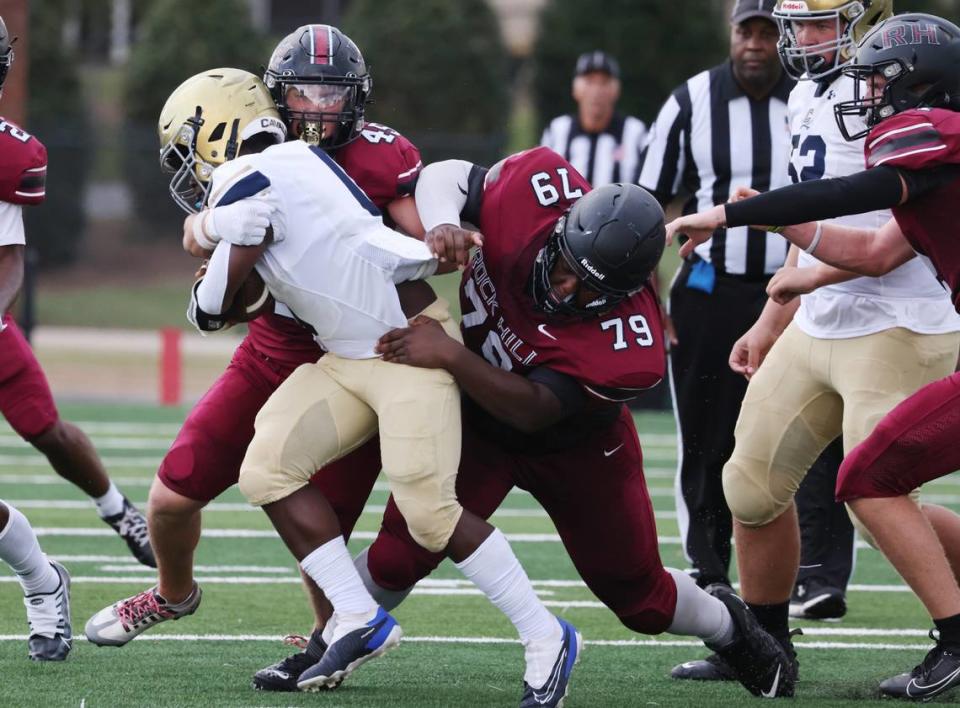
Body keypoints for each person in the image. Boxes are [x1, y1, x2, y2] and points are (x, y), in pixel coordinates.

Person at [140, 67, 581, 704]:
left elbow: (208, 312)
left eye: (189, 148)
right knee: (265, 467)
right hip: (347, 354)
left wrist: (212, 230)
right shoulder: (289, 162)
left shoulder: (249, 178)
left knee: (430, 517)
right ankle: (357, 615)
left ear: (215, 134)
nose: (188, 169)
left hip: (407, 346)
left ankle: (546, 635)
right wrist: (208, 228)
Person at [348, 149, 796, 701]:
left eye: (589, 291)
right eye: (565, 270)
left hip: (579, 448)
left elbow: (534, 408)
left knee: (641, 600)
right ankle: (328, 642)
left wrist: (450, 355)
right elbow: (447, 176)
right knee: (402, 549)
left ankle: (730, 628)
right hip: (483, 424)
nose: (564, 291)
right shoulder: (532, 188)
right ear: (562, 228)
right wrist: (443, 219)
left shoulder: (631, 343)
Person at [85, 31, 419, 686]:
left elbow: (414, 244)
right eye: (303, 92)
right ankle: (173, 594)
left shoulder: (382, 158)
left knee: (316, 521)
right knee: (171, 495)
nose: (317, 106)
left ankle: (332, 644)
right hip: (275, 345)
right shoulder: (257, 155)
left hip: (351, 355)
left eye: (332, 92)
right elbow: (229, 287)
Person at [665, 13, 960, 699]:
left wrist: (744, 213)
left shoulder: (933, 129)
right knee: (751, 485)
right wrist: (775, 314)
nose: (864, 91)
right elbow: (849, 235)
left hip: (902, 322)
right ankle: (763, 646)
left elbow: (865, 221)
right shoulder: (817, 97)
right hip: (822, 320)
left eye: (821, 22)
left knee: (874, 487)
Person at [638, 0, 803, 598]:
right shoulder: (690, 101)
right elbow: (649, 203)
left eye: (767, 32)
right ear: (731, 34)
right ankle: (709, 570)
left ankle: (815, 576)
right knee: (707, 437)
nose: (755, 44)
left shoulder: (813, 97)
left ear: (780, 37)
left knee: (804, 436)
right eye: (746, 31)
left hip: (794, 292)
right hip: (710, 292)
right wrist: (646, 293)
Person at [0, 15, 153, 568]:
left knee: (50, 434)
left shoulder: (9, 154)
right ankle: (41, 581)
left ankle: (116, 509)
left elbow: (10, 257)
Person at [540, 50, 646, 186]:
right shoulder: (557, 130)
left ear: (616, 90)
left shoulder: (635, 132)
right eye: (589, 82)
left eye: (604, 82)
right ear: (575, 89)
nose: (596, 91)